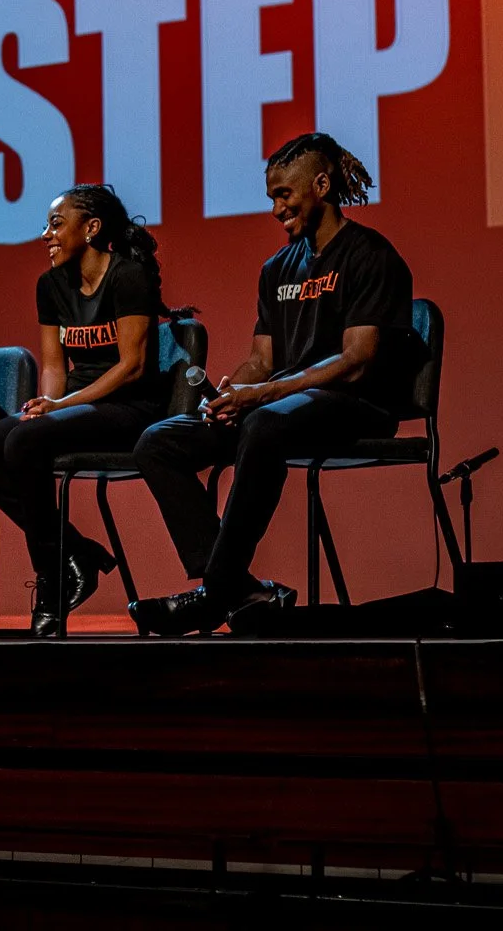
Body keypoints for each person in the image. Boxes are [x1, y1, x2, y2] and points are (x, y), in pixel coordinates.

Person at [127, 133, 420, 636]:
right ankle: (238, 589)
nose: (277, 208)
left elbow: (356, 361)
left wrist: (259, 397)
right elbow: (261, 361)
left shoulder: (370, 254)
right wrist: (227, 397)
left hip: (357, 403)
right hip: (285, 404)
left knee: (262, 424)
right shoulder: (276, 269)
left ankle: (214, 593)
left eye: (285, 194)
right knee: (160, 441)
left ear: (321, 186)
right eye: (272, 198)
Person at [0, 184, 170, 635]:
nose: (45, 234)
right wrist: (41, 406)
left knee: (27, 439)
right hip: (74, 404)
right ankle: (73, 554)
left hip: (129, 407)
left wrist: (60, 406)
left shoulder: (127, 276)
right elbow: (54, 368)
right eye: (46, 225)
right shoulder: (51, 285)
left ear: (91, 229)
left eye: (56, 224)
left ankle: (52, 583)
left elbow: (132, 368)